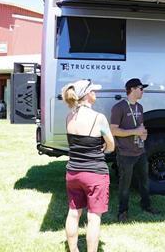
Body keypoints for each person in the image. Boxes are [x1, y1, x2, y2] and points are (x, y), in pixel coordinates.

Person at [61, 79, 115, 252]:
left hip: (73, 173)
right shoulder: (99, 118)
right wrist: (104, 147)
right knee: (93, 218)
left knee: (73, 212)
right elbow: (111, 145)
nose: (96, 93)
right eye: (93, 91)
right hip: (94, 174)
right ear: (87, 95)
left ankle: (73, 250)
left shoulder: (69, 116)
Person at [110, 78, 157, 222]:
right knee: (125, 185)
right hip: (125, 153)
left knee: (144, 181)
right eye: (141, 88)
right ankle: (122, 212)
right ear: (133, 89)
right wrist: (134, 131)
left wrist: (143, 133)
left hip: (140, 151)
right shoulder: (119, 107)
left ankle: (146, 205)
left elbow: (140, 127)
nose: (143, 91)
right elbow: (113, 131)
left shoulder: (140, 107)